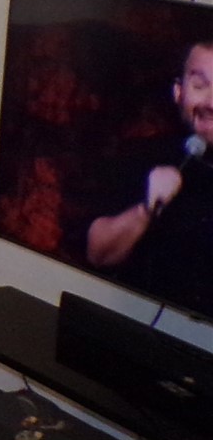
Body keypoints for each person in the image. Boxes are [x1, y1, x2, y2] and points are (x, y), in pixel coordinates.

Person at [86, 41, 213, 314]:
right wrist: (146, 209)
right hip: (135, 329)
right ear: (179, 92)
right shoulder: (146, 157)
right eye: (200, 86)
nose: (211, 102)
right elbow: (98, 253)